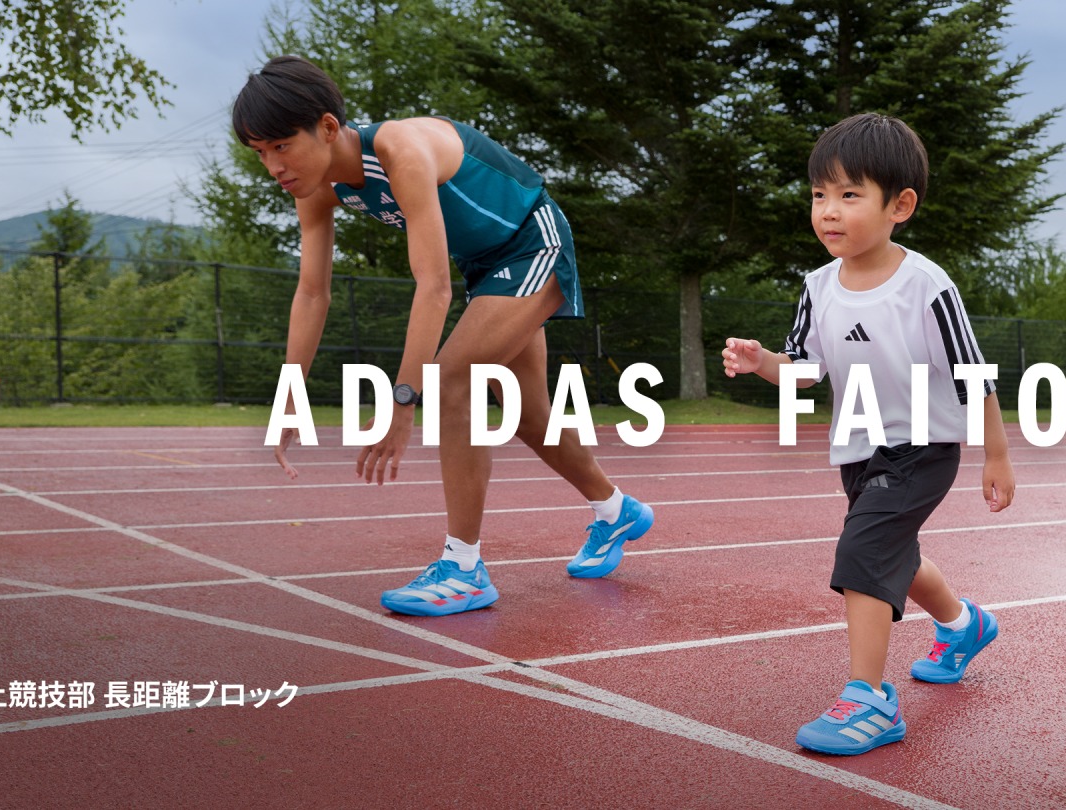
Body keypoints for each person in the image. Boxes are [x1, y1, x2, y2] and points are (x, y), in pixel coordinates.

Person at [234, 55, 654, 616]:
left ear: (328, 127)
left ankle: (464, 569)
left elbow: (433, 287)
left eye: (281, 146)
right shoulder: (314, 189)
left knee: (453, 379)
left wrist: (404, 400)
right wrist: (291, 395)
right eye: (260, 152)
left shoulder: (400, 151)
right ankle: (616, 511)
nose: (273, 166)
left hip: (533, 242)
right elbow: (312, 294)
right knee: (529, 414)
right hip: (487, 268)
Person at [719, 113, 1015, 755]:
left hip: (923, 448)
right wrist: (764, 361)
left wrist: (996, 454)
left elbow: (972, 373)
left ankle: (870, 698)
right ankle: (962, 625)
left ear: (898, 206)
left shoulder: (926, 286)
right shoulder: (817, 287)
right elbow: (805, 368)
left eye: (850, 194)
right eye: (819, 194)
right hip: (858, 447)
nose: (829, 210)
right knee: (892, 553)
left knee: (864, 551)